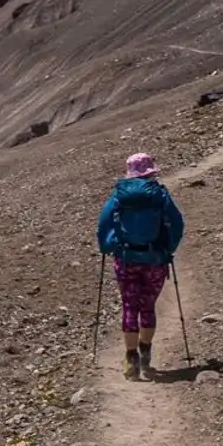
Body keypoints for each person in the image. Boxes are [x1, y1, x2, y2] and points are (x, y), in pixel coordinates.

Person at [96, 152, 186, 380]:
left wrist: (108, 247)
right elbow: (177, 222)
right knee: (147, 307)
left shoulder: (120, 195)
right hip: (154, 259)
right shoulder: (160, 195)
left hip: (126, 259)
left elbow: (104, 223)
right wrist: (168, 248)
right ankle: (146, 357)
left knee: (129, 306)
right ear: (151, 171)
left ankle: (131, 362)